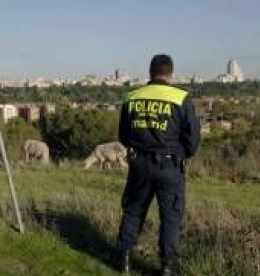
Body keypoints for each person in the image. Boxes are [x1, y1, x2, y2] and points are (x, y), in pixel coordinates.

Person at [113, 54, 200, 275]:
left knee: (133, 211)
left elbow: (123, 135)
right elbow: (192, 140)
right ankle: (167, 266)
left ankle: (123, 258)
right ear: (170, 73)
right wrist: (180, 154)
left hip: (139, 164)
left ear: (150, 72)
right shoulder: (181, 98)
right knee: (170, 217)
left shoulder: (132, 96)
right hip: (170, 166)